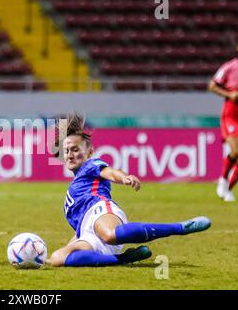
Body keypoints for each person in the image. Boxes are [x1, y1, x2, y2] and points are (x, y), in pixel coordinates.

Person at [47, 114, 211, 267]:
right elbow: (80, 227)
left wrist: (124, 177)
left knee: (109, 234)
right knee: (56, 258)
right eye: (66, 151)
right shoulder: (74, 187)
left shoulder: (90, 166)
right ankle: (121, 259)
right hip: (88, 232)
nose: (69, 155)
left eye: (75, 149)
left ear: (89, 151)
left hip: (100, 212)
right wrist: (69, 247)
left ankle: (180, 228)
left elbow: (109, 172)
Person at [208, 47, 238, 202]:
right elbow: (212, 85)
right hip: (231, 115)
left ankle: (227, 188)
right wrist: (229, 94)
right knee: (235, 150)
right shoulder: (229, 67)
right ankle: (224, 179)